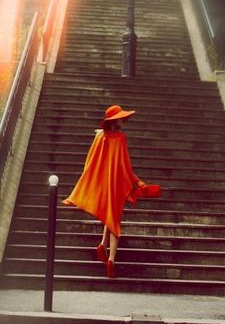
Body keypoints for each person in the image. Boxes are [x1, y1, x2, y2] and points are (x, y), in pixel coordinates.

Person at [63, 105, 161, 278]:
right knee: (115, 221)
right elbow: (125, 166)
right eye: (121, 118)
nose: (124, 121)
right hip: (116, 185)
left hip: (104, 184)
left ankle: (102, 245)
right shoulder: (121, 138)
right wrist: (138, 182)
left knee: (110, 215)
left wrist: (90, 180)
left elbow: (90, 162)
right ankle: (112, 260)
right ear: (115, 121)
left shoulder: (100, 136)